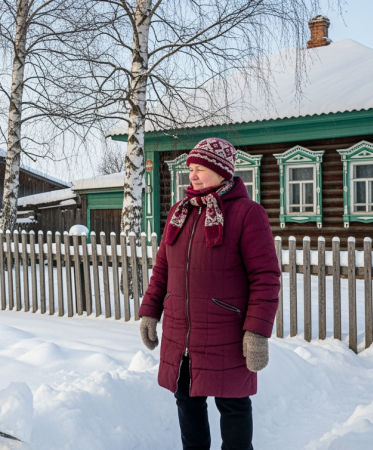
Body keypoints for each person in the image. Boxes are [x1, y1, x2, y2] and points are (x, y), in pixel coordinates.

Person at [137, 138, 280, 450]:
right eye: (191, 169)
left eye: (200, 169)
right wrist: (150, 311)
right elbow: (163, 267)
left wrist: (257, 332)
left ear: (222, 172)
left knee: (233, 405)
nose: (193, 175)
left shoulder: (247, 214)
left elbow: (265, 277)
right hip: (182, 333)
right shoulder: (180, 212)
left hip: (226, 331)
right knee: (187, 401)